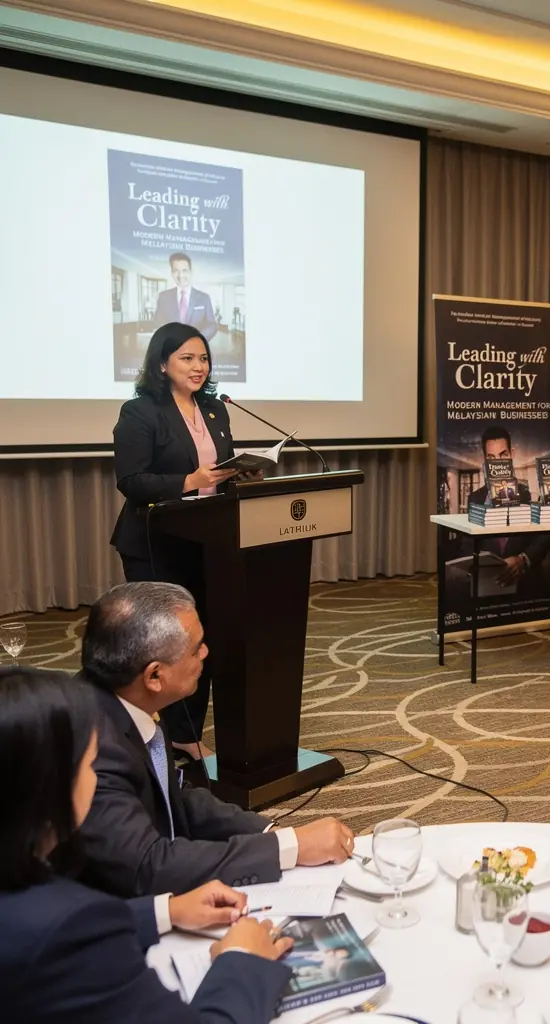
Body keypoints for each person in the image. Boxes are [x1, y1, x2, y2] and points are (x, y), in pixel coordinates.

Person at [0, 666, 294, 1023]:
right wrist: (241, 961)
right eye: (90, 765)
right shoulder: (73, 924)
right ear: (50, 786)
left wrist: (164, 912)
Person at [77, 581, 356, 898]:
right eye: (196, 648)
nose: (206, 652)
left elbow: (174, 795)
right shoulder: (93, 747)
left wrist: (271, 833)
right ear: (154, 676)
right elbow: (148, 867)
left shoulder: (128, 696)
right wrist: (287, 848)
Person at [111, 322, 243, 757]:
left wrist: (240, 473)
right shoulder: (140, 412)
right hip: (156, 543)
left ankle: (186, 734)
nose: (198, 366)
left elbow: (219, 470)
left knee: (200, 641)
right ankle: (158, 733)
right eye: (187, 358)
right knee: (164, 646)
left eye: (203, 357)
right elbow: (131, 480)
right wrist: (190, 479)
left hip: (207, 540)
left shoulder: (214, 410)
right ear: (162, 363)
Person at [464, 423, 549, 589]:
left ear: (512, 454)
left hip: (527, 582)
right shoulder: (475, 498)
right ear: (485, 460)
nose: (498, 463)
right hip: (487, 581)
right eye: (492, 458)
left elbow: (545, 535)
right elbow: (468, 543)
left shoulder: (531, 492)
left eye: (503, 455)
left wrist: (523, 559)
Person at [152, 252, 220, 339]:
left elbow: (212, 325)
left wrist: (198, 338)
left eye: (184, 270)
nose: (181, 275)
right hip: (171, 348)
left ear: (191, 272)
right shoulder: (163, 297)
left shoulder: (204, 298)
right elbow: (157, 323)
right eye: (176, 271)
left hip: (197, 348)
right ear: (172, 273)